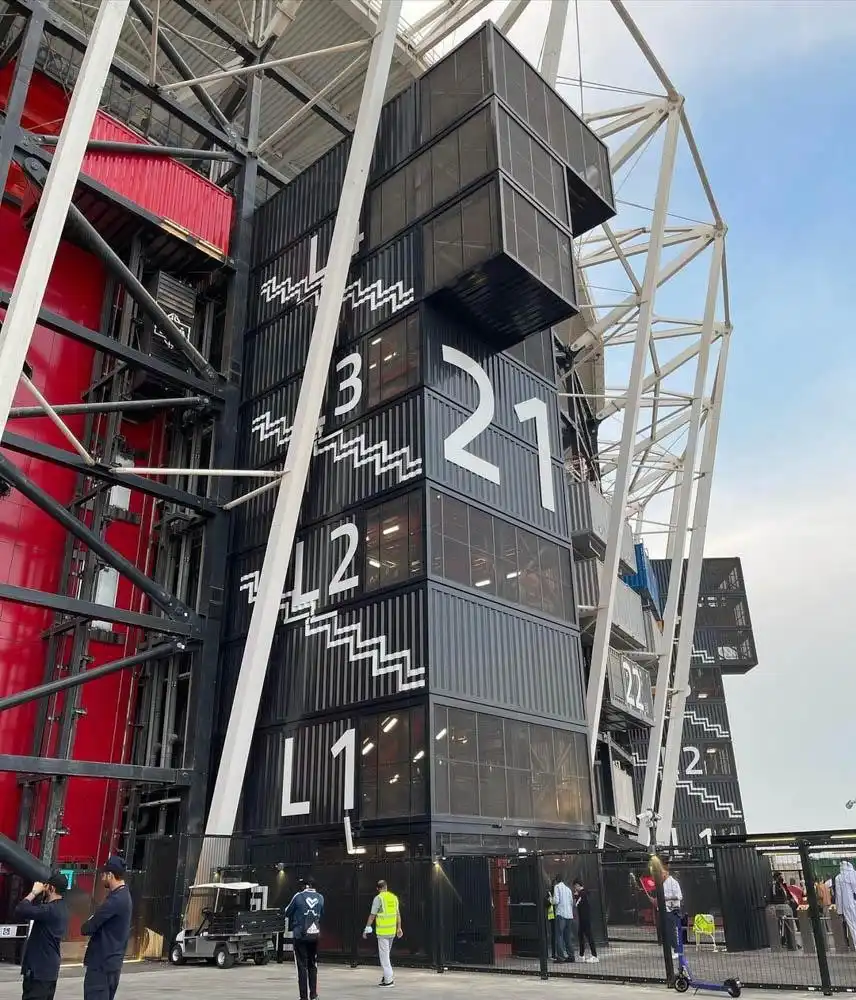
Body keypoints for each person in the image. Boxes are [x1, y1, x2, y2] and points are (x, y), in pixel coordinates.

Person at [81, 855, 133, 1000]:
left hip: (102, 965)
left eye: (103, 874)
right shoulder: (123, 895)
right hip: (111, 964)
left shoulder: (115, 900)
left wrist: (89, 922)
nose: (102, 877)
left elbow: (89, 927)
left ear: (110, 875)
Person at [13, 872, 69, 1000]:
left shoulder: (49, 910)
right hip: (49, 970)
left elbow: (21, 909)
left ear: (51, 888)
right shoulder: (62, 908)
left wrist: (33, 892)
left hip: (39, 971)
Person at [284, 875, 324, 1000]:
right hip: (314, 935)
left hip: (300, 935)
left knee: (302, 966)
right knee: (313, 964)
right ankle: (313, 994)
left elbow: (287, 911)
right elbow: (321, 914)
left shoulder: (298, 896)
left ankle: (303, 997)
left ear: (306, 886)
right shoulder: (321, 897)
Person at [363, 879, 402, 988]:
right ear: (386, 886)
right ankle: (386, 978)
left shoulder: (378, 898)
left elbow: (372, 915)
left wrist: (367, 928)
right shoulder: (394, 897)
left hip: (383, 933)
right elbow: (398, 914)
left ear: (377, 889)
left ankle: (389, 981)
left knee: (384, 958)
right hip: (392, 931)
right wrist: (399, 928)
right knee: (387, 956)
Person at [572, 879, 598, 963]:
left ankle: (594, 956)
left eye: (575, 886)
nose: (574, 888)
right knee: (581, 936)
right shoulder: (585, 892)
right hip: (583, 918)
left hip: (585, 918)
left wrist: (576, 896)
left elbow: (576, 904)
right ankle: (581, 955)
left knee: (588, 936)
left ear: (577, 885)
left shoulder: (582, 893)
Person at [552, 876, 575, 963]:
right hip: (569, 915)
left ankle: (560, 957)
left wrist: (551, 900)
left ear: (556, 881)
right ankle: (571, 955)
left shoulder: (557, 887)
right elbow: (571, 902)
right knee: (568, 936)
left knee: (559, 936)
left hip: (560, 914)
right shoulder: (568, 889)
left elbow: (556, 901)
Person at [662, 866, 683, 956]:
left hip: (672, 909)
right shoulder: (662, 883)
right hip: (665, 909)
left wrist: (667, 898)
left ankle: (676, 950)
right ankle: (671, 948)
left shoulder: (673, 882)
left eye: (662, 872)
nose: (661, 875)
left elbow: (679, 896)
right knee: (667, 931)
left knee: (672, 930)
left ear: (666, 872)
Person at [833, 861, 856, 946]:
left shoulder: (838, 878)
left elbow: (839, 895)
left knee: (853, 928)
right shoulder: (854, 874)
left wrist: (840, 911)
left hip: (847, 906)